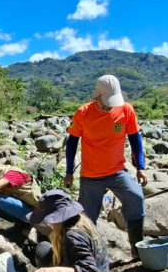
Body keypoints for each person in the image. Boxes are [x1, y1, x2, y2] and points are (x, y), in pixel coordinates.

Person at [63, 74, 148, 256]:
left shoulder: (126, 110)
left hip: (117, 171)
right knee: (87, 218)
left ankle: (137, 248)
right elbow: (71, 144)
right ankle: (89, 255)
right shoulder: (83, 113)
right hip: (91, 175)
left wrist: (140, 167)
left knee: (136, 197)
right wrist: (69, 172)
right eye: (107, 101)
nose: (110, 105)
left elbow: (135, 139)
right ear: (98, 95)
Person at [29, 190, 112, 272]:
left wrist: (55, 270)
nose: (46, 224)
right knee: (44, 248)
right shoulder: (83, 220)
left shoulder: (72, 236)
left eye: (47, 219)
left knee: (45, 259)